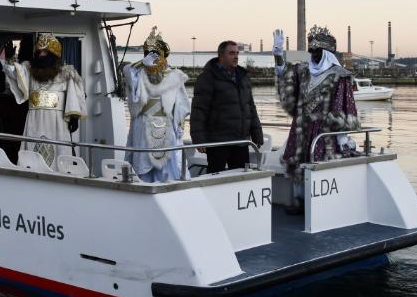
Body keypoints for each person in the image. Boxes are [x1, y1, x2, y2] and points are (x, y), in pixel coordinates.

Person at [273, 25, 360, 212]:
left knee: (318, 164)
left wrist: (341, 135)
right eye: (311, 51)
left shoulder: (339, 75)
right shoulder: (303, 70)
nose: (313, 54)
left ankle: (320, 205)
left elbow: (342, 106)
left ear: (327, 52)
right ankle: (299, 202)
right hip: (301, 127)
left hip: (324, 130)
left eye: (317, 51)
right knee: (297, 164)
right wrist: (278, 53)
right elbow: (283, 74)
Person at [0, 32, 86, 167]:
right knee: (32, 157)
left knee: (59, 156)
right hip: (35, 121)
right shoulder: (29, 70)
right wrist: (10, 58)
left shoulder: (66, 73)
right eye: (39, 52)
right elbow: (13, 72)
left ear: (53, 55)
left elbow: (75, 97)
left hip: (57, 123)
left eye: (44, 52)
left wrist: (74, 117)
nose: (40, 55)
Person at [123, 27, 190, 183]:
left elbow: (182, 105)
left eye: (153, 54)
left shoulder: (174, 76)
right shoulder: (138, 73)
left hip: (166, 128)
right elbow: (127, 71)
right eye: (146, 54)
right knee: (142, 166)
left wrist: (179, 126)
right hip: (143, 126)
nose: (150, 57)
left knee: (166, 168)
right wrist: (141, 64)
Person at [190, 40, 264, 173]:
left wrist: (257, 133)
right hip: (218, 141)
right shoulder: (208, 77)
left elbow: (250, 108)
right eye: (231, 53)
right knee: (215, 178)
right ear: (221, 56)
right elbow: (198, 110)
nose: (235, 56)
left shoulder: (243, 77)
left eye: (237, 53)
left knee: (241, 178)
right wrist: (198, 139)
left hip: (241, 141)